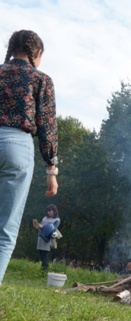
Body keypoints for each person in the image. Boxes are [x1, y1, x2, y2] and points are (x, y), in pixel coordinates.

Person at [0, 30, 58, 284]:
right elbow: (47, 127)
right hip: (17, 146)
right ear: (37, 53)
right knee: (5, 230)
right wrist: (51, 171)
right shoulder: (41, 79)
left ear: (11, 50)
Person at [33, 204, 60, 271]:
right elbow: (41, 225)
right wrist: (37, 226)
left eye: (50, 211)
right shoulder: (45, 218)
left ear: (54, 211)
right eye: (47, 211)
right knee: (41, 253)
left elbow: (53, 228)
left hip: (47, 238)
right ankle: (44, 268)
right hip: (40, 236)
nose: (48, 212)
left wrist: (43, 227)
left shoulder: (57, 220)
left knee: (45, 254)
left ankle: (45, 269)